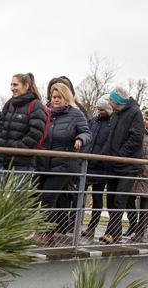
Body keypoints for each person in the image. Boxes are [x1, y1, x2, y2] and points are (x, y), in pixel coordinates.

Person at [34, 83, 91, 242]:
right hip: (43, 162)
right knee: (36, 197)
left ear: (67, 98)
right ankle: (39, 229)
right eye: (53, 97)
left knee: (48, 198)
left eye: (59, 97)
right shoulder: (46, 113)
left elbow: (86, 132)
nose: (56, 100)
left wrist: (80, 139)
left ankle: (47, 232)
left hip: (63, 163)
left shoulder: (76, 114)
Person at [99, 87, 144, 244]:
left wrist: (120, 155)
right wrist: (103, 156)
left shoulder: (135, 113)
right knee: (110, 199)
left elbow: (136, 138)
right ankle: (114, 232)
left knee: (119, 199)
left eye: (111, 100)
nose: (109, 102)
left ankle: (112, 233)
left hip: (127, 166)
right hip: (113, 164)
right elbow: (111, 137)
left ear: (117, 101)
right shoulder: (116, 114)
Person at [0, 73, 47, 172]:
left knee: (18, 188)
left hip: (22, 162)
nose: (11, 88)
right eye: (11, 84)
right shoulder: (9, 103)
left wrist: (16, 147)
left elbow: (35, 133)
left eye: (15, 85)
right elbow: (0, 125)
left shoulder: (36, 105)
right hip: (2, 159)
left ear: (26, 86)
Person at [81, 96, 113, 238]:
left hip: (100, 167)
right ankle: (75, 223)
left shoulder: (112, 124)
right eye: (97, 109)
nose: (98, 111)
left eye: (102, 109)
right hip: (87, 164)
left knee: (97, 198)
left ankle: (92, 227)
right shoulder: (93, 121)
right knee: (80, 196)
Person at [126, 107, 148, 242]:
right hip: (136, 171)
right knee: (127, 198)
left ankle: (140, 232)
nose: (144, 121)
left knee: (145, 204)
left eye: (147, 119)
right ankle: (133, 224)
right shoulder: (140, 133)